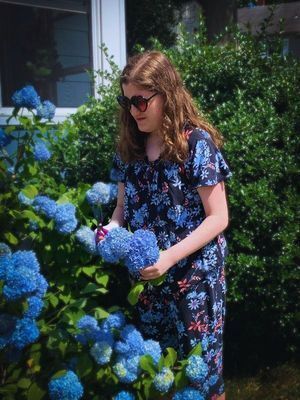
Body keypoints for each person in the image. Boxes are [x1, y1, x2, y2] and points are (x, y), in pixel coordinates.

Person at [101, 51, 231, 400]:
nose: (134, 110)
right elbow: (120, 209)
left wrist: (170, 257)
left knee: (202, 375)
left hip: (194, 279)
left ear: (167, 94)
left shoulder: (195, 144)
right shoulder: (130, 148)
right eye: (127, 101)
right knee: (157, 373)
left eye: (142, 101)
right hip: (149, 282)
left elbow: (219, 217)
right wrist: (108, 232)